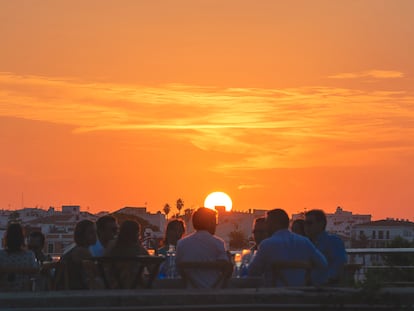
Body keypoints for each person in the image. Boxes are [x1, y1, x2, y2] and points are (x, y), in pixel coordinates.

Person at [248, 209, 327, 286]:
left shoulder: (266, 244)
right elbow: (323, 263)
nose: (266, 226)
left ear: (274, 224)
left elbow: (252, 272)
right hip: (301, 295)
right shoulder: (305, 242)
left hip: (273, 295)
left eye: (267, 222)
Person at [176, 207, 231, 288]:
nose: (216, 225)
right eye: (214, 222)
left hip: (189, 294)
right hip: (214, 293)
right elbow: (226, 268)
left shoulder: (182, 243)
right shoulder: (218, 243)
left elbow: (178, 269)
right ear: (210, 223)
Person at [304, 209, 347, 285]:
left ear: (321, 224)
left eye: (309, 223)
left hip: (326, 287)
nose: (306, 226)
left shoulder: (333, 241)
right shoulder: (306, 243)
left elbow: (339, 263)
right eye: (305, 223)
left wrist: (327, 280)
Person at [105, 220, 148, 289]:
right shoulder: (140, 250)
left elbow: (105, 264)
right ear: (137, 234)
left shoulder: (111, 246)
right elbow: (152, 268)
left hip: (112, 285)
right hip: (136, 286)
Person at [60, 220, 97, 290]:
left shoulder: (75, 249)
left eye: (95, 232)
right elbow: (94, 272)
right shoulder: (82, 251)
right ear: (82, 235)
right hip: (75, 288)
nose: (95, 235)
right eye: (91, 232)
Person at [0, 223, 38, 291]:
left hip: (4, 295)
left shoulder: (1, 255)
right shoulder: (29, 255)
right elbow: (35, 273)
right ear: (22, 238)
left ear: (7, 238)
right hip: (24, 295)